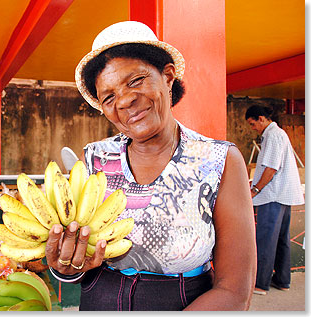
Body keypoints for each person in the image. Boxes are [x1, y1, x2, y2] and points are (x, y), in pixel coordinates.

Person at [45, 21, 257, 311]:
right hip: (100, 299)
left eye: (135, 81)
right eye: (109, 97)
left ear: (168, 76)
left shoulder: (218, 161)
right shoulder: (93, 161)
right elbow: (74, 267)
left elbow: (234, 291)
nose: (126, 100)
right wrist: (66, 268)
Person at [245, 105, 304, 296]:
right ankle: (282, 280)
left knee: (265, 240)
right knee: (281, 240)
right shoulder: (278, 134)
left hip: (273, 196)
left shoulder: (273, 136)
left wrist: (255, 189)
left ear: (261, 119)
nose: (253, 128)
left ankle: (261, 283)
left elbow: (271, 168)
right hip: (283, 195)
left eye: (253, 123)